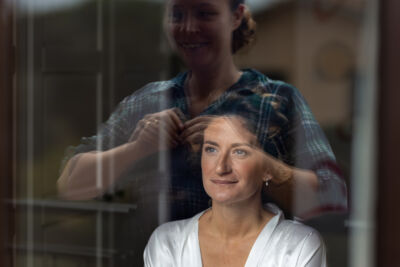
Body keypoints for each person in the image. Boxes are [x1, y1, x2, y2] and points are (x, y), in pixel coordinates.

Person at [57, 0, 347, 221]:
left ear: (235, 17)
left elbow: (332, 196)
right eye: (177, 15)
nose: (187, 28)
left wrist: (258, 162)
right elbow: (69, 184)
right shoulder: (146, 100)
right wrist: (136, 149)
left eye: (205, 13)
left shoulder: (279, 99)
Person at [144, 114, 327, 267]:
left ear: (267, 169)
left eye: (239, 152)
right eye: (211, 149)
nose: (221, 168)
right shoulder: (167, 242)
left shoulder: (299, 246)